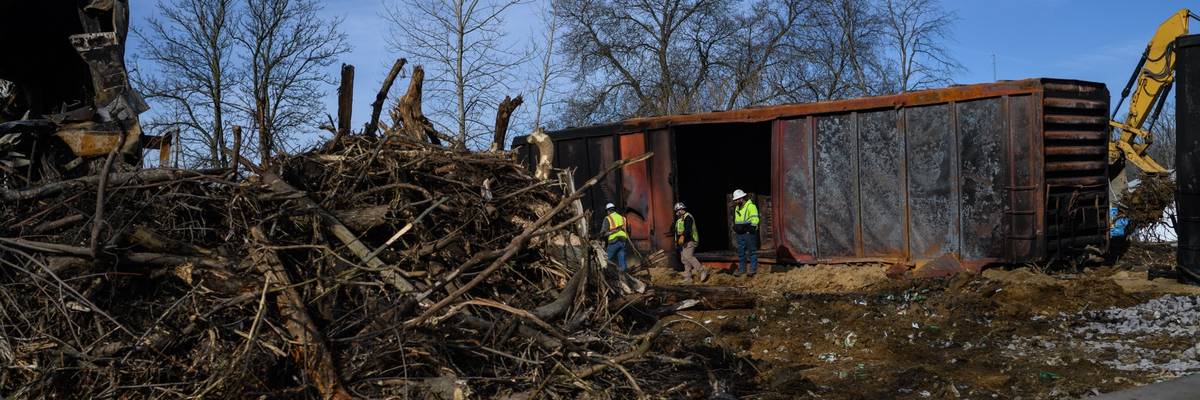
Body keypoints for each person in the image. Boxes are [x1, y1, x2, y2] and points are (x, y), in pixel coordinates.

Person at [674, 202, 707, 283]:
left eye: (677, 210)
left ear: (681, 209)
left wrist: (682, 236)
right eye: (676, 211)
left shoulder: (688, 217)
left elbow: (688, 229)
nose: (676, 212)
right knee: (684, 259)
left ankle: (702, 270)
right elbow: (677, 231)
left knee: (688, 256)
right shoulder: (679, 219)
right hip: (683, 242)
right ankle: (688, 277)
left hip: (690, 240)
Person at [731, 189, 760, 276]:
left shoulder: (751, 206)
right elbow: (737, 220)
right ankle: (742, 270)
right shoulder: (737, 208)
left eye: (737, 199)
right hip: (740, 233)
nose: (735, 201)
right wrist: (736, 227)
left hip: (748, 233)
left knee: (752, 252)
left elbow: (755, 219)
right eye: (735, 200)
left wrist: (750, 229)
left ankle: (753, 270)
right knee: (741, 252)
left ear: (741, 198)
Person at [602, 203, 629, 272]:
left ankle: (605, 274)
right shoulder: (623, 218)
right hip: (623, 241)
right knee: (622, 263)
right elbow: (627, 230)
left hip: (614, 241)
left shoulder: (608, 218)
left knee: (605, 260)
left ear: (608, 211)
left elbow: (603, 233)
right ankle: (625, 276)